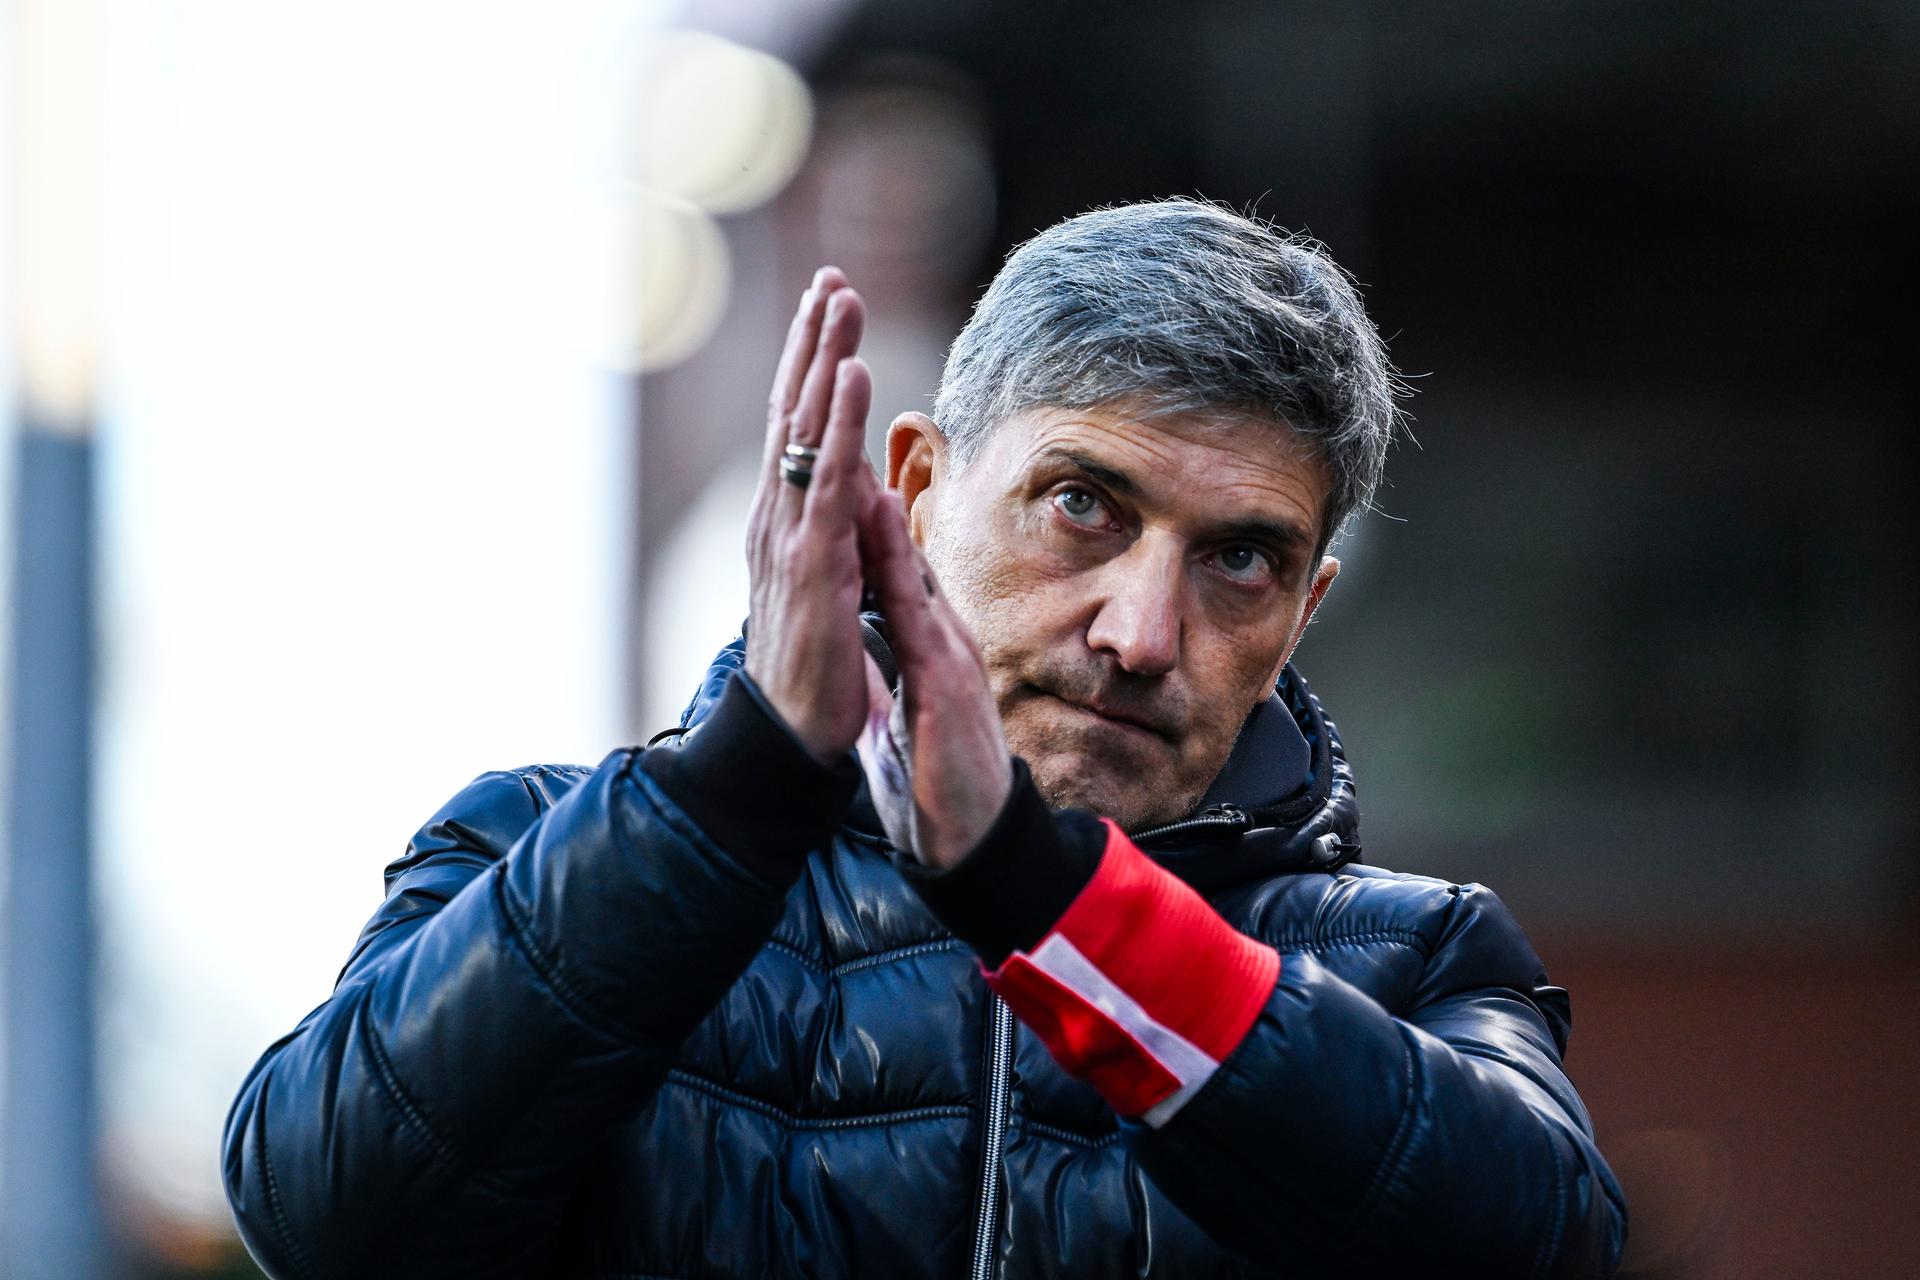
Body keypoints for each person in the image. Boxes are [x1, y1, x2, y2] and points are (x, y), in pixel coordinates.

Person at [223, 199, 1627, 1278]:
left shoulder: (1420, 962)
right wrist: (728, 800)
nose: (1142, 631)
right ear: (915, 487)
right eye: (1082, 503)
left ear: (1307, 607)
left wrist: (1044, 895)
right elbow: (322, 1213)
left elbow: (1544, 1244)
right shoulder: (535, 849)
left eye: (1241, 559)